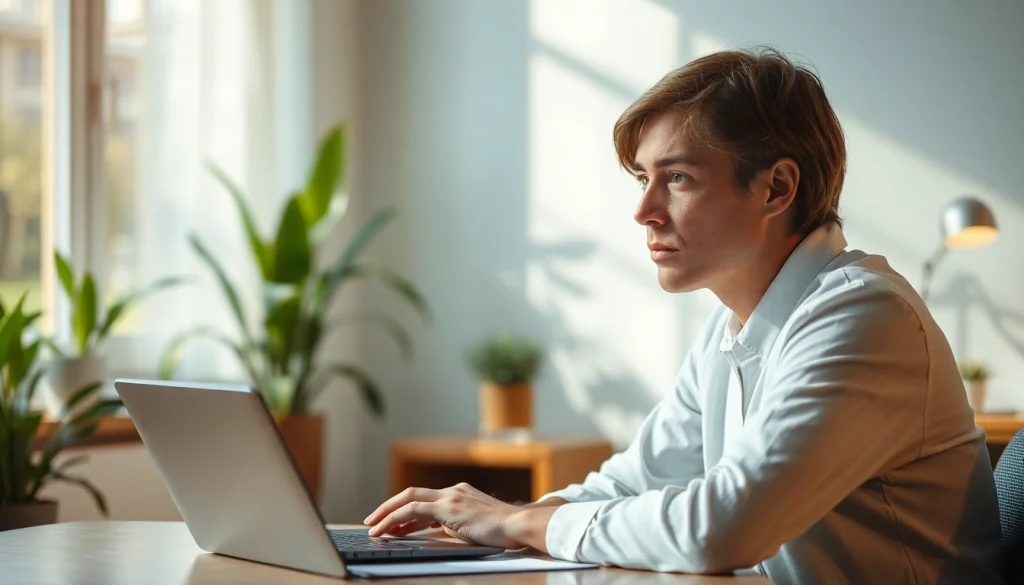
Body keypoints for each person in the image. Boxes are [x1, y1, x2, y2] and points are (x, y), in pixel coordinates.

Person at [363, 48, 1005, 584]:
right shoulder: (733, 329)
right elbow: (636, 480)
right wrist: (488, 525)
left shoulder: (866, 315)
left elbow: (723, 528)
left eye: (677, 178)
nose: (643, 210)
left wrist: (516, 522)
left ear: (777, 188)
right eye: (642, 177)